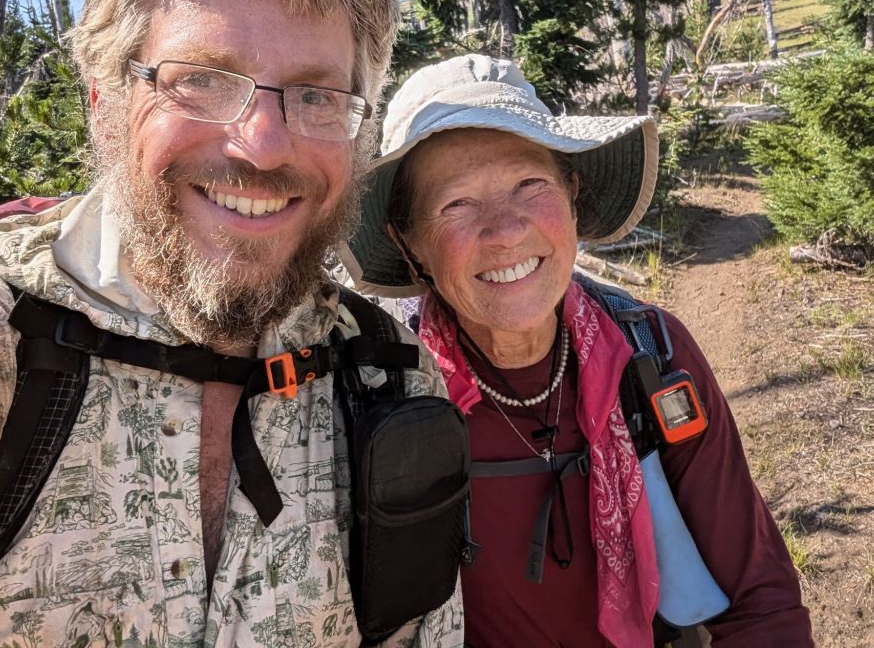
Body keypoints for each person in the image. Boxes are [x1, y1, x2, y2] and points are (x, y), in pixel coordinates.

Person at [0, 0, 464, 645]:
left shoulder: (391, 379)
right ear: (104, 102)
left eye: (317, 95)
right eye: (202, 80)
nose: (263, 145)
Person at [340, 54, 815, 647]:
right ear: (408, 244)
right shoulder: (379, 395)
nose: (506, 230)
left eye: (529, 185)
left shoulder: (650, 357)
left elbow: (759, 600)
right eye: (456, 204)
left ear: (572, 193)